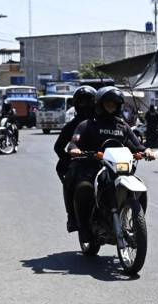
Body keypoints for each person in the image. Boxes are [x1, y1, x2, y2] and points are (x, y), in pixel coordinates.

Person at [66, 86, 155, 240]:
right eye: (108, 103)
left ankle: (135, 226)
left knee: (141, 189)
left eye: (114, 103)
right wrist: (75, 150)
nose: (111, 106)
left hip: (118, 169)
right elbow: (74, 143)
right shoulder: (88, 124)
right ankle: (85, 228)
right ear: (100, 104)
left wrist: (147, 151)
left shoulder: (122, 126)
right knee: (84, 189)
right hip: (92, 168)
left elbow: (137, 145)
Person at [55, 86, 97, 232]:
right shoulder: (72, 125)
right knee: (70, 179)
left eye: (89, 102)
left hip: (104, 160)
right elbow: (58, 147)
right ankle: (72, 217)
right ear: (76, 104)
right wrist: (70, 158)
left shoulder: (104, 122)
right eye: (82, 102)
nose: (85, 106)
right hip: (80, 163)